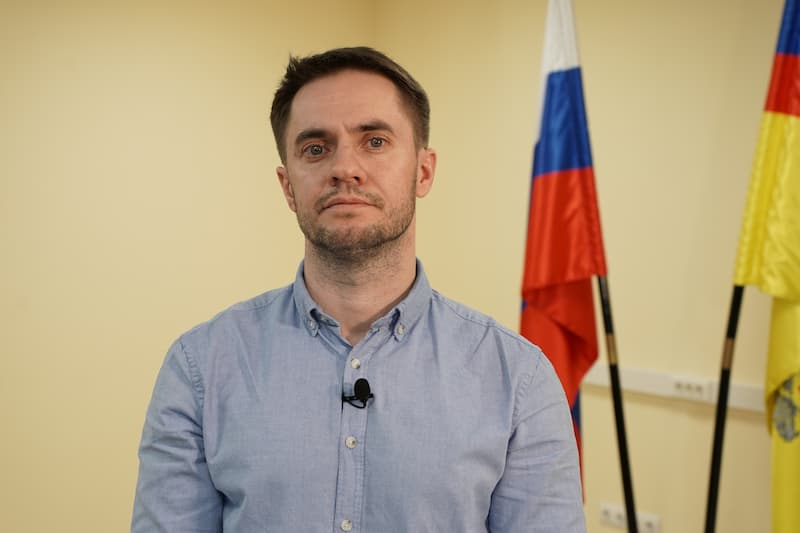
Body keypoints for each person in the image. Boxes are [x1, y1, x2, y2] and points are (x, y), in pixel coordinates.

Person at [132, 46, 586, 532]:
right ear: (287, 186)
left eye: (374, 141)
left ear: (424, 171)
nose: (344, 168)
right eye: (315, 148)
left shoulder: (518, 380)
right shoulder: (200, 368)